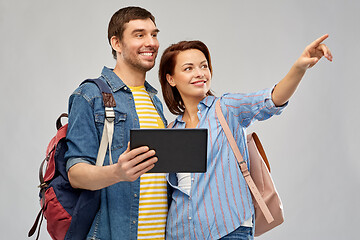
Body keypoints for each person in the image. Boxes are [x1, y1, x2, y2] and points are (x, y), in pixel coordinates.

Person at [158, 35, 332, 239]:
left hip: (229, 230)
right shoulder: (171, 130)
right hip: (181, 233)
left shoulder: (226, 108)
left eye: (204, 66)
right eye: (188, 68)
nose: (200, 73)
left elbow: (272, 98)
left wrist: (299, 67)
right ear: (171, 79)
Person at [65, 6, 169, 240]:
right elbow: (76, 173)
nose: (151, 42)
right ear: (116, 43)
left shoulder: (154, 100)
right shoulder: (89, 95)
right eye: (139, 34)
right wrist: (118, 172)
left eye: (154, 34)